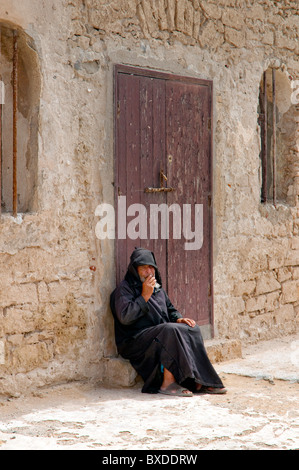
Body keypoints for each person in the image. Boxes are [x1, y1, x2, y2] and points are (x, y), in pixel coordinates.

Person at [110, 247, 227, 397]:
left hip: (159, 333)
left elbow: (170, 310)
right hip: (134, 340)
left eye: (151, 267)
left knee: (192, 328)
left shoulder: (157, 289)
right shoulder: (124, 290)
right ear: (135, 270)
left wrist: (179, 318)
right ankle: (167, 383)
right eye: (144, 268)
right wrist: (144, 296)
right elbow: (125, 317)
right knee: (169, 330)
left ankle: (199, 380)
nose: (149, 272)